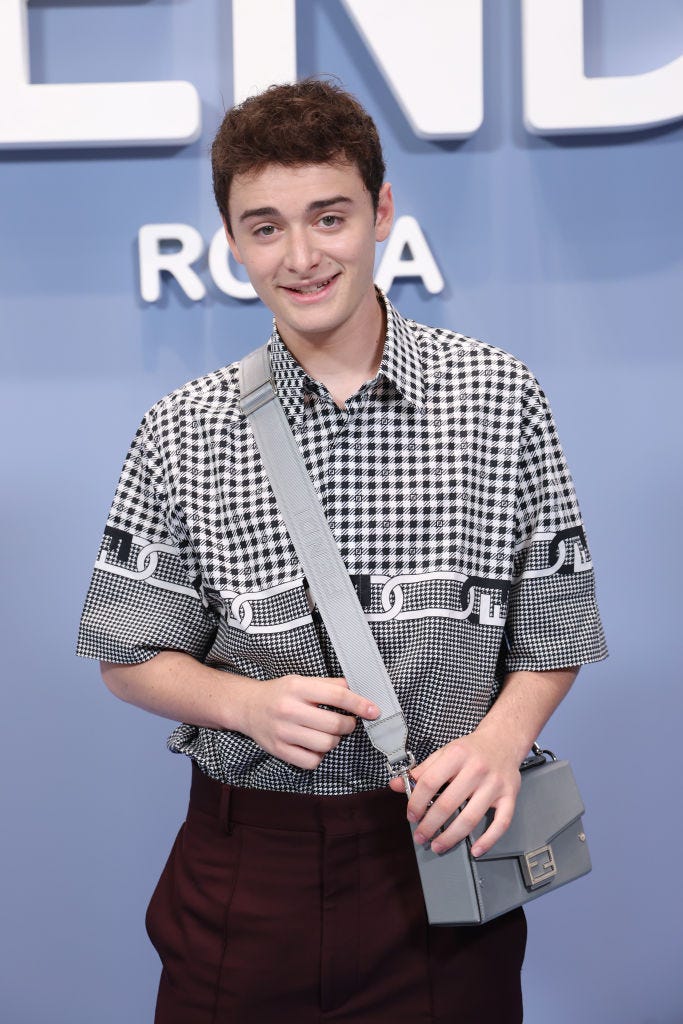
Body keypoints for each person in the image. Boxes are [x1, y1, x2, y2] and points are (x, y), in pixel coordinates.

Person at [77, 79, 606, 1023]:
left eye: (329, 216)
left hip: (442, 864)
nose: (302, 255)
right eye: (265, 226)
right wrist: (240, 702)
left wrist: (499, 741)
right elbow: (126, 653)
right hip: (246, 870)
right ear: (232, 242)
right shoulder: (181, 429)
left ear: (381, 211)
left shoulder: (497, 397)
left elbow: (553, 626)